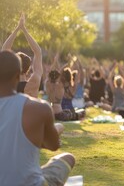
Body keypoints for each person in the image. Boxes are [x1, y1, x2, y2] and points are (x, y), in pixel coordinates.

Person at [0, 50, 75, 185]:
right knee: (68, 158)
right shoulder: (39, 108)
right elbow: (53, 145)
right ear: (18, 76)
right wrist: (57, 128)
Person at [2, 13, 43, 98]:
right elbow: (38, 52)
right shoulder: (34, 82)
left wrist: (17, 29)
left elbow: (5, 49)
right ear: (28, 67)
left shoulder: (8, 85)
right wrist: (24, 29)